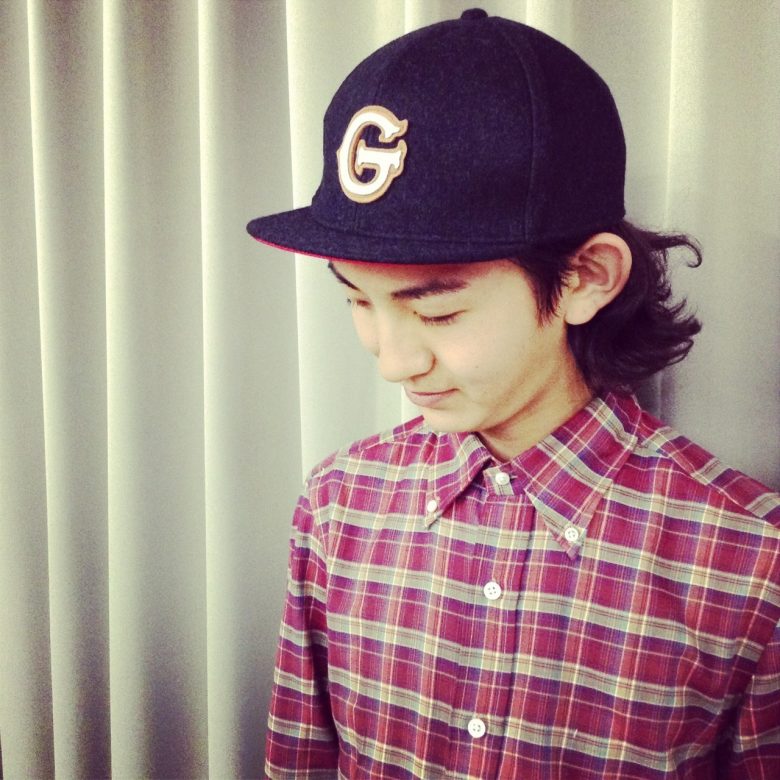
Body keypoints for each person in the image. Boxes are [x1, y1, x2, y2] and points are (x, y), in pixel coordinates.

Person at [247, 9, 780, 778]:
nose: (393, 362)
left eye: (438, 312)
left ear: (587, 278)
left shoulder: (748, 563)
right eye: (358, 300)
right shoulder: (338, 505)